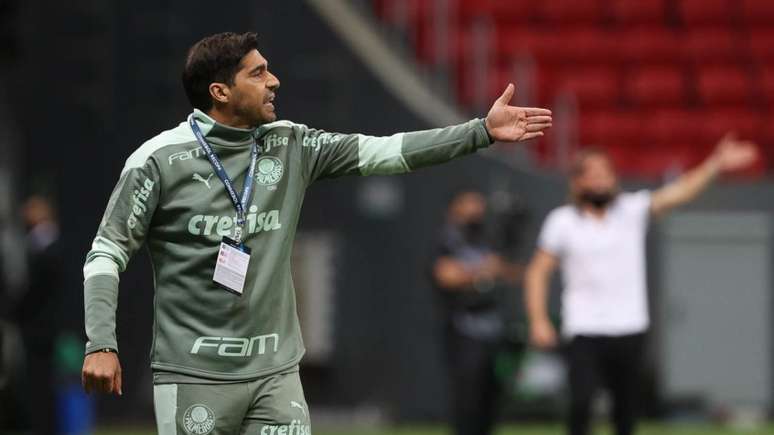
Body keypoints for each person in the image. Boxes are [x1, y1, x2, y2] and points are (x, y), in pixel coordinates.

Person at [80, 32, 552, 434]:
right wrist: (101, 342)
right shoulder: (157, 160)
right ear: (220, 92)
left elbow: (386, 151)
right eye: (258, 73)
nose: (274, 81)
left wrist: (479, 132)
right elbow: (106, 252)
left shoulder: (293, 144)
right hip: (194, 372)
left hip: (275, 372)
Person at [524, 137, 758, 435]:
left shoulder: (632, 210)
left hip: (629, 327)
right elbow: (538, 272)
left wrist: (715, 165)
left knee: (626, 411)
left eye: (605, 172)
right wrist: (539, 320)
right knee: (581, 403)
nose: (599, 180)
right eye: (592, 174)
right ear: (578, 182)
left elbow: (680, 192)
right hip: (583, 329)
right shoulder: (562, 222)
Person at [432, 190, 521, 435]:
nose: (476, 209)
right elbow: (445, 275)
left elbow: (510, 272)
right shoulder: (446, 239)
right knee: (467, 398)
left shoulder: (485, 239)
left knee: (490, 396)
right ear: (454, 208)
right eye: (469, 203)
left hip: (492, 328)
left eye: (479, 203)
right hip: (463, 328)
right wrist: (482, 270)